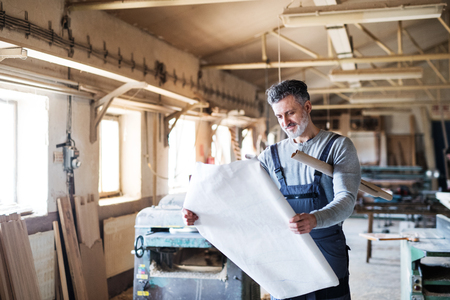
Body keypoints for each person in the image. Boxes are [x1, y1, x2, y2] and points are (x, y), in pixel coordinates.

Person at [183, 80, 361, 300]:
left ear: (307, 107)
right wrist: (201, 212)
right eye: (279, 116)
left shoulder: (338, 147)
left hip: (326, 246)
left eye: (290, 113)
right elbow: (243, 198)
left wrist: (314, 219)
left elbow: (346, 201)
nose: (285, 122)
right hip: (285, 250)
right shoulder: (271, 155)